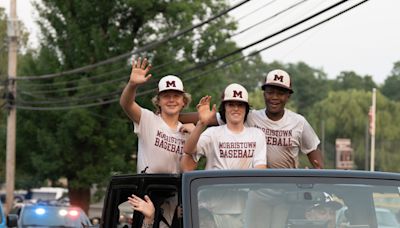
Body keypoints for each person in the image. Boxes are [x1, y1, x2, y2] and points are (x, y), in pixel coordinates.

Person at [180, 69, 323, 169]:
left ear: (288, 96)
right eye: (270, 92)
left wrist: (319, 176)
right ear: (264, 94)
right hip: (258, 189)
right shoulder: (250, 116)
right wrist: (174, 116)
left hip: (286, 185)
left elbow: (314, 155)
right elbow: (208, 119)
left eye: (280, 93)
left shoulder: (298, 122)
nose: (274, 97)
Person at [120, 56, 193, 174]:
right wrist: (132, 85)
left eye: (176, 96)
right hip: (148, 188)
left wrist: (194, 134)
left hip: (175, 189)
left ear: (183, 101)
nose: (171, 100)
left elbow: (189, 169)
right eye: (166, 96)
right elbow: (126, 104)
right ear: (158, 101)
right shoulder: (149, 120)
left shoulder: (188, 132)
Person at [181, 83, 267, 170]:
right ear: (224, 108)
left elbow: (260, 167)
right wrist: (201, 123)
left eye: (240, 105)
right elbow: (188, 150)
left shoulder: (257, 134)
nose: (236, 108)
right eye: (231, 105)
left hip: (246, 183)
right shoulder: (212, 133)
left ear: (246, 109)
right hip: (216, 183)